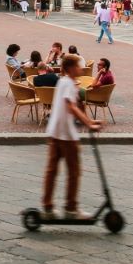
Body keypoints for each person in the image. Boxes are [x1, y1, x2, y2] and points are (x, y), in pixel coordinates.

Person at [42, 54, 103, 219]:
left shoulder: (62, 81)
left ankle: (47, 206)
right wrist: (89, 124)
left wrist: (89, 120)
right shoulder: (68, 83)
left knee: (52, 171)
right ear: (70, 68)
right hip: (66, 134)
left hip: (55, 131)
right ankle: (71, 208)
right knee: (74, 171)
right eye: (78, 66)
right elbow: (71, 107)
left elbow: (72, 107)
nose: (81, 68)